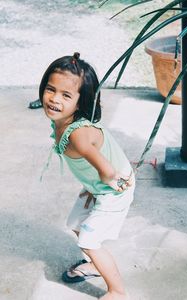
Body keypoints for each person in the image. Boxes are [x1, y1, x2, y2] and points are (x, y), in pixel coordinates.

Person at [40, 52, 135, 300]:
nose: (54, 99)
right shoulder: (62, 121)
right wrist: (91, 185)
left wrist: (103, 185)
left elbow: (107, 170)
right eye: (51, 89)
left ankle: (118, 292)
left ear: (81, 102)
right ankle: (95, 264)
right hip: (99, 187)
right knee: (75, 225)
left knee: (89, 240)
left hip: (114, 190)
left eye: (66, 95)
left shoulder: (78, 134)